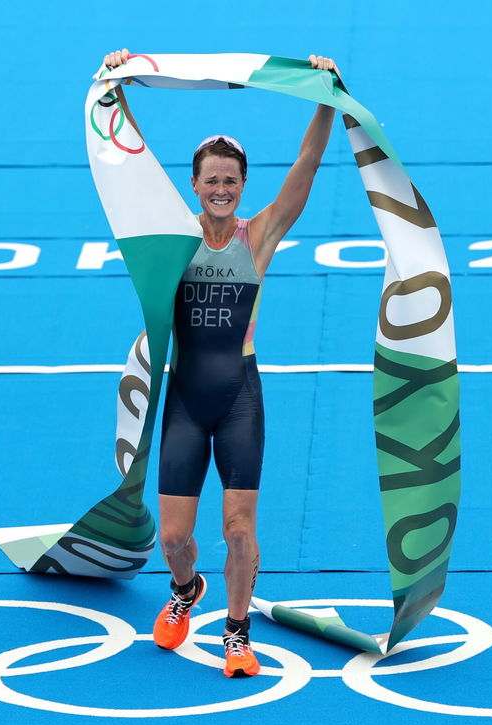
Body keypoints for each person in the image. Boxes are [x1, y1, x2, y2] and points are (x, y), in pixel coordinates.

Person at [102, 49, 341, 677]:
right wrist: (115, 87)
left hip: (239, 396)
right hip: (185, 397)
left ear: (241, 186)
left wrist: (327, 94)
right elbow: (131, 166)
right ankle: (186, 590)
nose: (220, 188)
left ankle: (236, 634)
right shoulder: (174, 240)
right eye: (210, 179)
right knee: (175, 539)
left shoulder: (256, 237)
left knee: (239, 527)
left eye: (230, 181)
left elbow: (308, 164)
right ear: (194, 183)